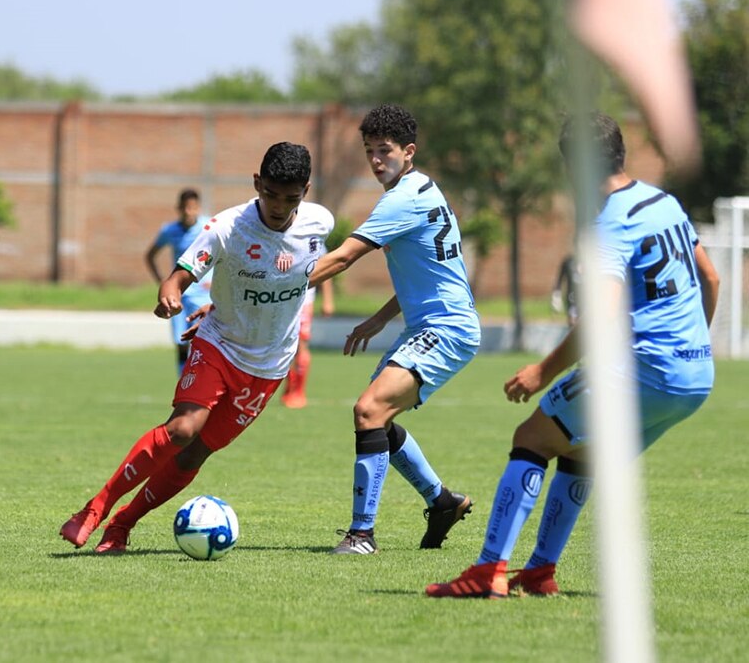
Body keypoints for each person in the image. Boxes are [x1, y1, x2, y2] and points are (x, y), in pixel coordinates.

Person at [426, 112, 719, 599]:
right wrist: (691, 344)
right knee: (580, 447)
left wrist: (541, 371)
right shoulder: (663, 203)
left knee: (531, 438)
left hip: (644, 368)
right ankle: (539, 573)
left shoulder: (609, 224)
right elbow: (711, 277)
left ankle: (488, 571)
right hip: (695, 375)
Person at [61, 142, 334, 554]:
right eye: (271, 194)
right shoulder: (226, 228)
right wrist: (170, 295)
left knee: (193, 455)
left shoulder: (320, 222)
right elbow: (178, 277)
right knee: (183, 429)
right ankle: (95, 507)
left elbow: (310, 270)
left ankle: (121, 526)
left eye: (290, 198)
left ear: (306, 191)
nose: (279, 206)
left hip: (269, 365)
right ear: (256, 183)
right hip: (219, 344)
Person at [306, 104, 480, 554]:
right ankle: (442, 502)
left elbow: (344, 257)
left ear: (409, 151)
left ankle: (362, 535)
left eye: (384, 150)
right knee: (377, 417)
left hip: (447, 327)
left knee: (369, 411)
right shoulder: (424, 188)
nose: (375, 159)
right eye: (369, 150)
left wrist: (275, 286)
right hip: (434, 323)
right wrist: (380, 319)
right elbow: (428, 273)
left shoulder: (403, 199)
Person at [145, 188, 213, 375]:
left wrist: (216, 280)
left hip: (203, 295)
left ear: (199, 208)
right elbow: (150, 255)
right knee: (181, 342)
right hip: (180, 295)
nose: (189, 212)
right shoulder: (169, 230)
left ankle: (201, 380)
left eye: (193, 208)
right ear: (179, 208)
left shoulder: (209, 227)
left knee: (202, 341)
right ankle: (183, 381)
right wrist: (163, 281)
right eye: (185, 208)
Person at [280, 274, 334, 408]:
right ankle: (289, 385)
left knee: (301, 346)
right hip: (279, 301)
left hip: (303, 303)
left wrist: (328, 300)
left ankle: (298, 391)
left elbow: (327, 269)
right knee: (282, 347)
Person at [550, 255, 580, 327]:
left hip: (584, 297)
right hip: (571, 296)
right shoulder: (568, 262)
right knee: (572, 320)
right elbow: (560, 278)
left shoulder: (588, 262)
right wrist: (556, 295)